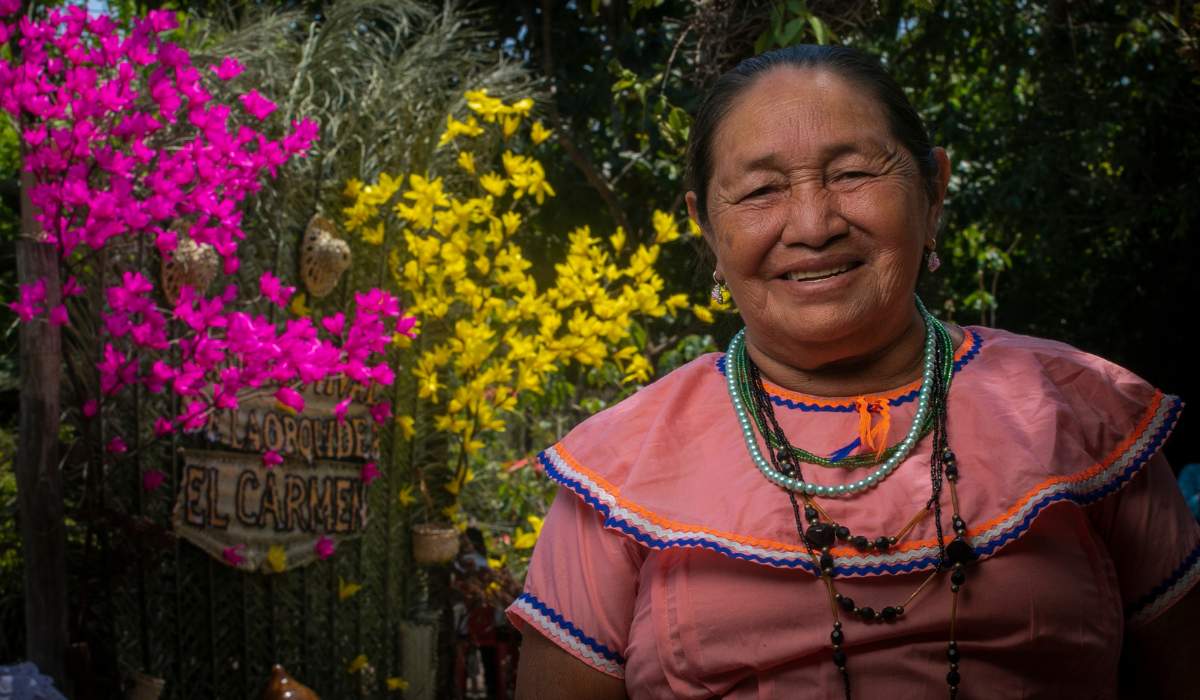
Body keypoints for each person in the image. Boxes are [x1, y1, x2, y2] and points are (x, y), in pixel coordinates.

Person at [506, 45, 1199, 698]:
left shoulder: (1085, 415)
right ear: (706, 227)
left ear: (934, 191)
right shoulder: (620, 475)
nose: (813, 225)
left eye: (852, 174)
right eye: (760, 190)